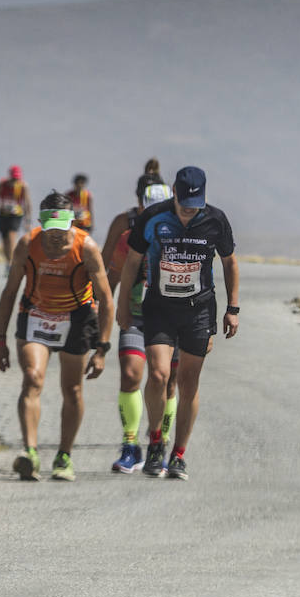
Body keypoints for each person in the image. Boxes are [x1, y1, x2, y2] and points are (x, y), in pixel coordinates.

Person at [115, 166, 239, 481]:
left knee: (188, 383)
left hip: (198, 310)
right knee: (157, 374)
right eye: (183, 205)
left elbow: (229, 262)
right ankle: (156, 440)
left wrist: (233, 307)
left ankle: (179, 454)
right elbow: (131, 262)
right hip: (159, 307)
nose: (188, 211)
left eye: (194, 206)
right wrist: (122, 307)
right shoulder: (153, 217)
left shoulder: (216, 220)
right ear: (174, 193)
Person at [0, 192, 114, 481]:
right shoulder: (27, 244)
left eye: (62, 231)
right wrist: (0, 340)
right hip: (35, 314)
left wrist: (102, 349)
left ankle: (64, 456)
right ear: (41, 225)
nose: (56, 238)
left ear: (71, 224)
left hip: (76, 317)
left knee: (72, 390)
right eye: (51, 232)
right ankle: (30, 453)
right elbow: (10, 292)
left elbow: (106, 300)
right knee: (33, 378)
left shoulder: (86, 247)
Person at [99, 175, 178, 473]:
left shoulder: (182, 229)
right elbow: (109, 274)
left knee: (168, 380)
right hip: (135, 314)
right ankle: (130, 445)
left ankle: (161, 444)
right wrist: (101, 307)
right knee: (131, 376)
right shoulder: (127, 231)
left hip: (172, 317)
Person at [0, 165, 32, 273]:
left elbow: (27, 203)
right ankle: (8, 262)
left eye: (17, 178)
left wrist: (28, 220)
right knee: (4, 241)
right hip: (3, 215)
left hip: (16, 215)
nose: (15, 180)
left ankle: (12, 262)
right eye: (13, 178)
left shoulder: (23, 186)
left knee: (11, 236)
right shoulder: (1, 184)